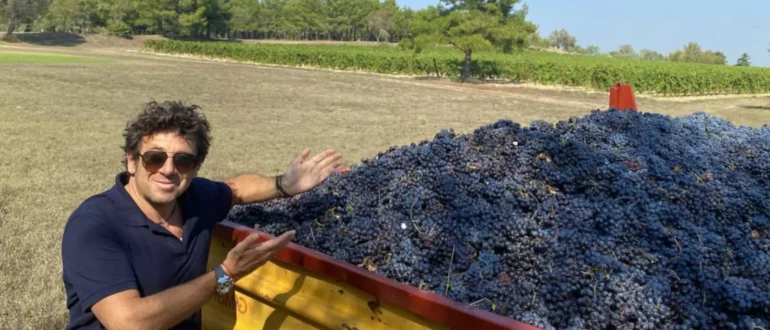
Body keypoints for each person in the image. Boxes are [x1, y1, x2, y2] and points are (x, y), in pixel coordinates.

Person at [60, 100, 343, 330]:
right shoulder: (94, 225)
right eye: (155, 158)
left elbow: (235, 189)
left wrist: (284, 184)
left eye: (183, 161)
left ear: (195, 168)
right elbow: (129, 323)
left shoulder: (195, 198)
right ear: (132, 161)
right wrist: (225, 274)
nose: (168, 170)